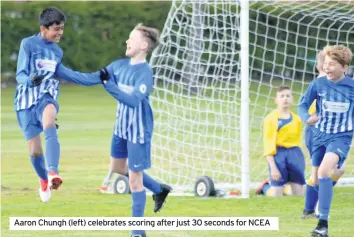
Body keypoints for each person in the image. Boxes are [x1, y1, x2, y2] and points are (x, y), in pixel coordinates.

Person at [15, 7, 101, 203]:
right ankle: (44, 179)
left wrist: (100, 78)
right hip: (25, 102)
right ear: (43, 28)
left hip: (47, 96)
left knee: (49, 120)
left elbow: (73, 76)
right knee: (35, 152)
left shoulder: (57, 51)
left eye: (62, 28)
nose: (60, 33)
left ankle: (53, 171)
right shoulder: (27, 44)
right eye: (57, 29)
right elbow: (19, 74)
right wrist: (30, 80)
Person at [98, 23, 172, 237]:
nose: (127, 41)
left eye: (131, 38)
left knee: (134, 179)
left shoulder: (145, 72)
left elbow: (132, 100)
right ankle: (159, 189)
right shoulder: (121, 66)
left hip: (138, 130)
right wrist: (58, 71)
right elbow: (91, 78)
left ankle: (137, 232)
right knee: (118, 167)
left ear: (144, 45)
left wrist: (109, 85)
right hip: (121, 128)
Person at [298, 45, 354, 237]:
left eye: (332, 64)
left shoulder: (351, 88)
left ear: (344, 67)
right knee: (316, 179)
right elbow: (303, 105)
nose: (327, 68)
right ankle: (309, 209)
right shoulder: (318, 84)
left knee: (323, 171)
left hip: (341, 137)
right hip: (318, 136)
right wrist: (307, 117)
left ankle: (323, 225)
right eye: (326, 64)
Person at [255, 86, 305, 197]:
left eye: (288, 96)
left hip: (294, 153)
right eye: (282, 96)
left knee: (299, 194)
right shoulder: (271, 119)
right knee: (276, 195)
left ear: (292, 99)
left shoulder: (296, 119)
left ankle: (287, 188)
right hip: (278, 154)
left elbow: (297, 140)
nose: (285, 99)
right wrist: (273, 167)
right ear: (276, 100)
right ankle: (265, 186)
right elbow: (268, 144)